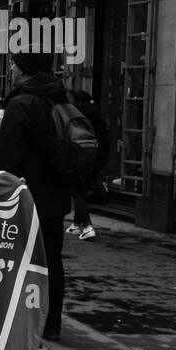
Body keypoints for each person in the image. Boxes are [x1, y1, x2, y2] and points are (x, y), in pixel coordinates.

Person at [0, 51, 69, 345]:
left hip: (24, 198)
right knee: (52, 260)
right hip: (56, 198)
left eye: (13, 64)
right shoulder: (60, 99)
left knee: (17, 261)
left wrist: (0, 190)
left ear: (24, 70)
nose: (10, 69)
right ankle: (52, 323)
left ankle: (20, 320)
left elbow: (7, 157)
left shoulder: (22, 103)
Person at [67, 90, 109, 241]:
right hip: (95, 157)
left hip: (84, 156)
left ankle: (87, 225)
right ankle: (77, 223)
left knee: (78, 191)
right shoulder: (95, 114)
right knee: (81, 189)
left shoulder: (79, 116)